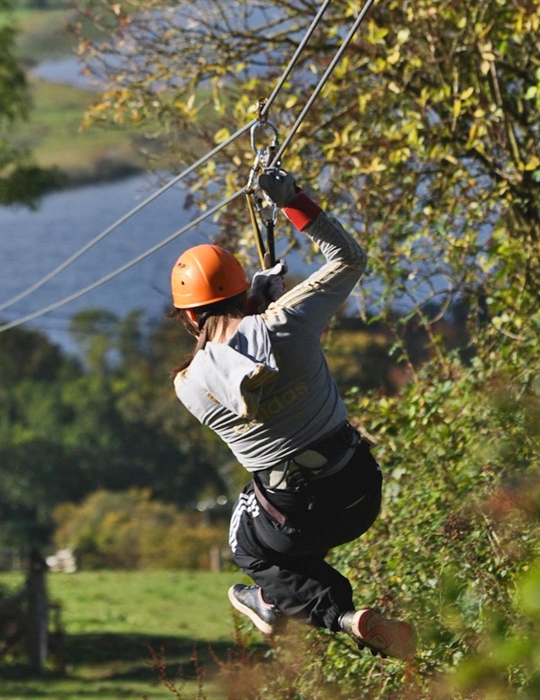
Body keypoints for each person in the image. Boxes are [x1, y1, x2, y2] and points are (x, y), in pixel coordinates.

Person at [168, 168, 416, 660]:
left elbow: (233, 360)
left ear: (190, 316)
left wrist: (254, 310)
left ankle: (330, 614)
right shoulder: (289, 321)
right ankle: (272, 603)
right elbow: (349, 258)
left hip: (294, 518)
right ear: (243, 291)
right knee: (274, 530)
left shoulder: (188, 386)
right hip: (361, 492)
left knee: (247, 544)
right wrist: (291, 199)